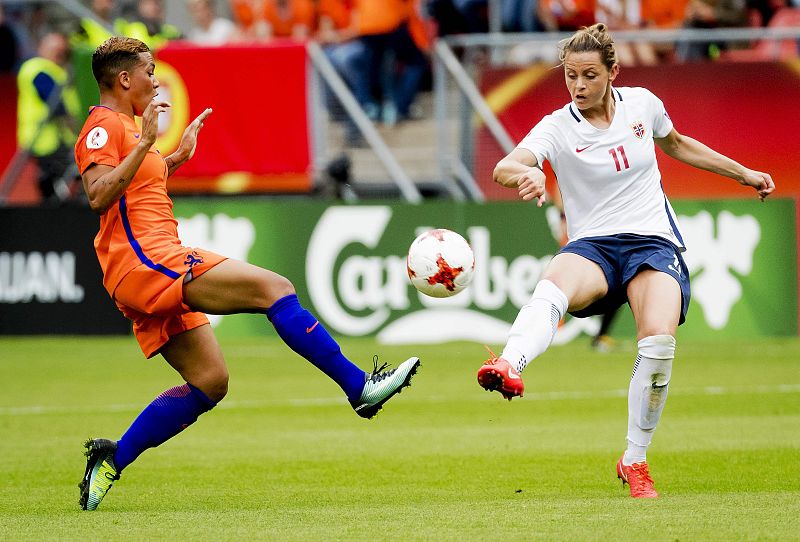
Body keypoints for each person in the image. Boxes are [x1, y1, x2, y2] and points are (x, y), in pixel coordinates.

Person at [73, 36, 421, 511]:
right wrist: (151, 145)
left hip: (151, 263)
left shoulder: (133, 132)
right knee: (274, 289)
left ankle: (112, 457)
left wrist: (173, 159)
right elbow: (97, 195)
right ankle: (359, 388)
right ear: (124, 79)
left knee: (210, 382)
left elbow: (135, 187)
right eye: (150, 71)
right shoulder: (102, 127)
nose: (156, 80)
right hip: (146, 262)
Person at [476, 23, 774, 498]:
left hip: (653, 243)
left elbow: (676, 144)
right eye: (570, 76)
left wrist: (743, 173)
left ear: (612, 72)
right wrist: (526, 175)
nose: (578, 86)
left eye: (589, 75)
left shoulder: (643, 104)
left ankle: (634, 460)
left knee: (658, 342)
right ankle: (509, 363)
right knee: (555, 279)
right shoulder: (557, 125)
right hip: (594, 246)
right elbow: (506, 165)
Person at [17, 32, 81, 204]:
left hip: (57, 137)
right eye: (55, 50)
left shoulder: (58, 70)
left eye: (62, 51)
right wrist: (71, 123)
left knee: (57, 173)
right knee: (70, 169)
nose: (58, 55)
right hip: (44, 137)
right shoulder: (37, 68)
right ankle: (55, 203)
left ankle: (53, 198)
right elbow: (52, 99)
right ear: (42, 48)